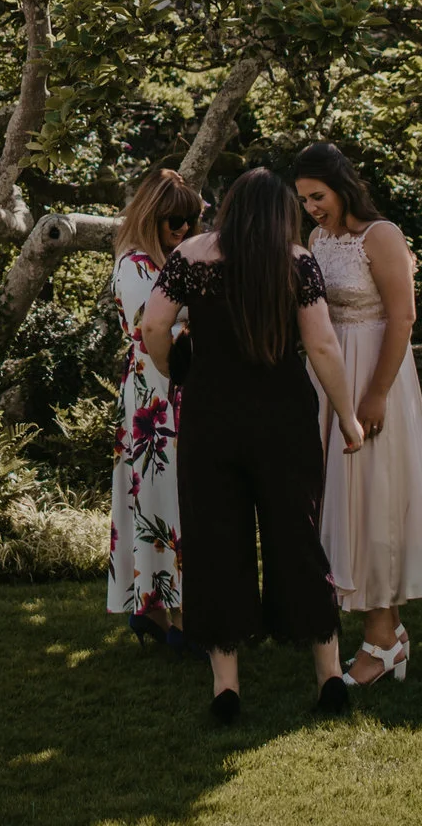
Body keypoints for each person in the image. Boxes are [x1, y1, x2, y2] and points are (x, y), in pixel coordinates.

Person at [138, 168, 367, 724]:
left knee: (217, 545)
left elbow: (152, 326)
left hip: (212, 421)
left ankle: (226, 689)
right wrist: (349, 416)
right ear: (280, 213)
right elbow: (321, 345)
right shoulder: (295, 261)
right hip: (284, 420)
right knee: (298, 539)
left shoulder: (191, 253)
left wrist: (174, 368)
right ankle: (330, 676)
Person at [292, 141, 422, 690]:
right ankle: (387, 633)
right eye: (304, 200)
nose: (312, 208)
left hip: (376, 370)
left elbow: (403, 316)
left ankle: (382, 639)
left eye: (318, 196)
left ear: (341, 185)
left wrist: (377, 394)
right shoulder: (317, 239)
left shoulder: (381, 235)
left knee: (374, 498)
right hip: (331, 373)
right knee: (339, 500)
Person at [106, 168, 203, 644]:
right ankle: (171, 612)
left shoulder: (168, 258)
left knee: (177, 497)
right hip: (155, 392)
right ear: (151, 216)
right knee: (161, 499)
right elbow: (155, 330)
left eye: (189, 219)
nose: (183, 228)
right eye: (173, 219)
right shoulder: (136, 264)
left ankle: (161, 610)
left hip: (175, 388)